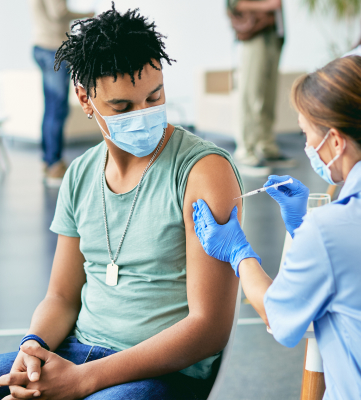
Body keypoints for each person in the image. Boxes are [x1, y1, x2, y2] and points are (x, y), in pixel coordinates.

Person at [192, 56, 361, 399]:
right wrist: (304, 230)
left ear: (336, 142)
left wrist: (238, 251)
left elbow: (278, 318)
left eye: (308, 134)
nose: (308, 146)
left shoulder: (330, 231)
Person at [0, 5, 241, 399]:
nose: (144, 115)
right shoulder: (79, 174)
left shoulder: (203, 171)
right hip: (78, 352)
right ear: (84, 98)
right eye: (122, 107)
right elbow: (61, 296)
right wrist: (34, 346)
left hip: (160, 369)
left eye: (154, 96)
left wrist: (84, 380)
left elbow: (209, 327)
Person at [228, 0, 296, 177]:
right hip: (254, 35)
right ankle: (245, 152)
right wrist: (268, 6)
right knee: (250, 95)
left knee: (268, 96)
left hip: (273, 34)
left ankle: (266, 147)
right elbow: (234, 4)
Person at [30, 0, 94, 186]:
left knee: (51, 108)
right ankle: (54, 165)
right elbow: (58, 12)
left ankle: (48, 160)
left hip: (41, 45)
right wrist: (88, 15)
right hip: (53, 48)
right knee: (57, 109)